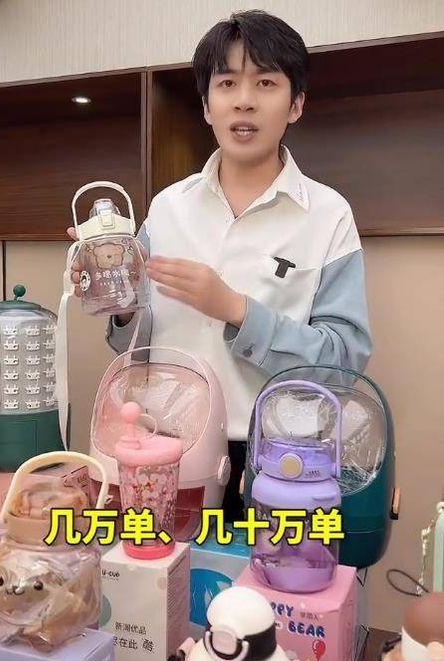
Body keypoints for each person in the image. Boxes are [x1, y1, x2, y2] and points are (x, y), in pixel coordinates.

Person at [69, 10, 372, 520]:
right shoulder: (168, 207)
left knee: (264, 575)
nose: (244, 100)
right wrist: (113, 295)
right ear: (207, 106)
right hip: (164, 452)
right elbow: (134, 345)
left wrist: (236, 309)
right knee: (162, 572)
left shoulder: (329, 215)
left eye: (266, 83)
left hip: (278, 461)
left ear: (296, 104)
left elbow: (343, 362)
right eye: (227, 83)